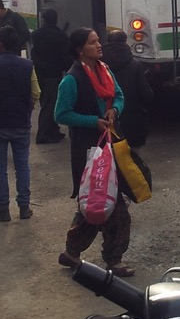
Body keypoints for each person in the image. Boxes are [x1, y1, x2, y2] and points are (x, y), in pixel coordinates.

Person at [55, 28, 132, 276]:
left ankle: (76, 254)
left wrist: (114, 111)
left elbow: (119, 96)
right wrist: (93, 121)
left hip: (110, 145)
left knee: (102, 203)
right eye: (93, 42)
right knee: (100, 203)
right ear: (80, 49)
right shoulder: (71, 80)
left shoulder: (105, 70)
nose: (99, 45)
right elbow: (61, 114)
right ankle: (112, 260)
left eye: (98, 40)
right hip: (87, 151)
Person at [0, 25, 40, 222]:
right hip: (20, 122)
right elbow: (36, 92)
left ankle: (2, 209)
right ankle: (24, 207)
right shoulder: (28, 65)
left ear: (0, 45)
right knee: (22, 166)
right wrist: (28, 108)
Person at [102, 30, 153, 147]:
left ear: (107, 42)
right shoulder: (135, 64)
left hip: (106, 119)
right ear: (125, 42)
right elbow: (146, 94)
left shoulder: (99, 64)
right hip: (133, 120)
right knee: (132, 160)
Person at [31, 7, 70, 144]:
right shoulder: (61, 36)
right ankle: (43, 135)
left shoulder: (36, 34)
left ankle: (53, 130)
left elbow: (34, 53)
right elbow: (65, 57)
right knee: (50, 105)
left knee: (46, 103)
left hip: (39, 73)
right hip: (53, 74)